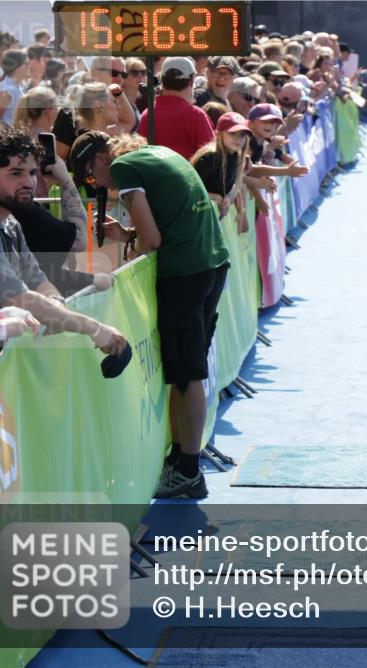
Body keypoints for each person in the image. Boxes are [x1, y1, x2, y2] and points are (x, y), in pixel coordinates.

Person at [69, 131, 229, 499]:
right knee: (183, 373)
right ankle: (182, 458)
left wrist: (133, 245)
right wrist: (130, 235)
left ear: (102, 159)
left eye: (91, 176)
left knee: (187, 375)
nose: (97, 185)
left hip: (185, 272)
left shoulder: (124, 169)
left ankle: (189, 470)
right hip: (211, 263)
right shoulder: (157, 152)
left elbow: (152, 242)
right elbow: (165, 222)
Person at [0, 123, 127, 354]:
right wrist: (94, 329)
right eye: (16, 173)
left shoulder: (9, 218)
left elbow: (36, 278)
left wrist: (55, 306)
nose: (29, 182)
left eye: (32, 172)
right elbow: (17, 296)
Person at [139, 56, 215, 160]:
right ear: (191, 81)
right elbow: (211, 158)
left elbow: (140, 157)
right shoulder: (196, 115)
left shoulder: (147, 115)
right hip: (187, 171)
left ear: (162, 80)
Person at [0, 48, 28, 125]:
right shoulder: (7, 91)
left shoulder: (17, 86)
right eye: (26, 63)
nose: (29, 66)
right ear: (18, 66)